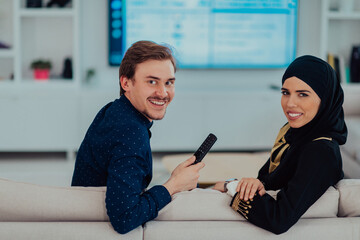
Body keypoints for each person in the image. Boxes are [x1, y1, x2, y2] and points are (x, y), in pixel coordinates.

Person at [72, 40, 205, 234]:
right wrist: (173, 185)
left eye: (169, 82)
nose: (163, 93)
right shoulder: (130, 133)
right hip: (93, 229)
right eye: (152, 81)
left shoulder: (114, 110)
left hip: (81, 215)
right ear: (126, 83)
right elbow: (124, 218)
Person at [213, 55, 347, 234]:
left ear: (325, 98)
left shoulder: (321, 152)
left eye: (303, 94)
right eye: (285, 93)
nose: (290, 104)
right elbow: (266, 180)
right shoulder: (295, 133)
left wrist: (232, 187)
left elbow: (279, 219)